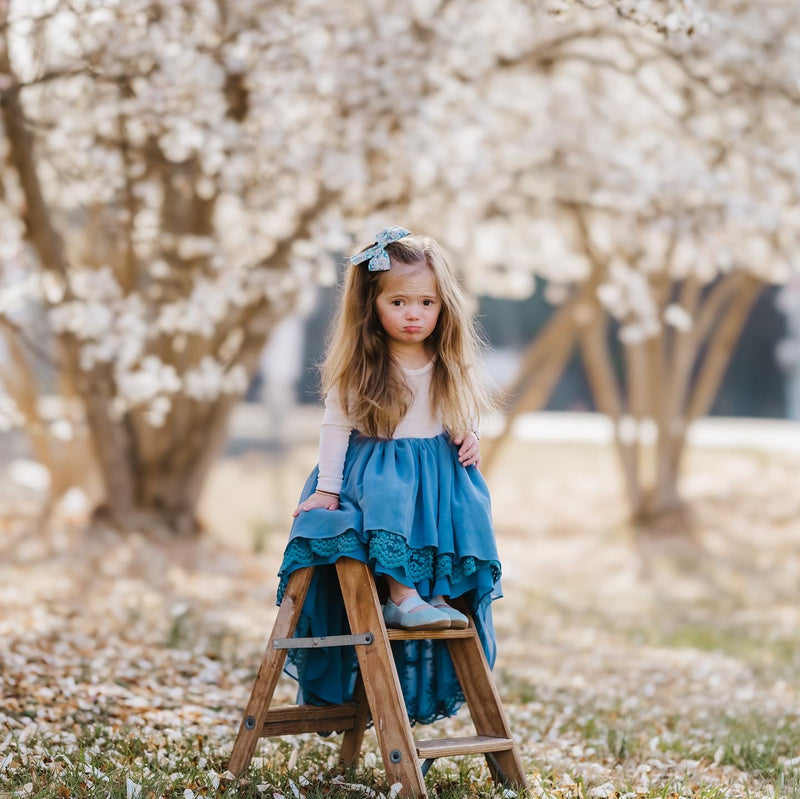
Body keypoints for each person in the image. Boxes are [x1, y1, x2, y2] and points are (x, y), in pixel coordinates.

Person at [277, 226, 502, 725]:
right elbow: (335, 428)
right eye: (399, 302)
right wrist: (328, 490)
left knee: (464, 499)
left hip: (435, 470)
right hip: (376, 468)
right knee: (390, 494)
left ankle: (437, 591)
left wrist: (469, 435)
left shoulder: (446, 361)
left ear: (444, 306)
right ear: (372, 306)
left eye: (427, 302)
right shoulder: (363, 365)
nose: (414, 313)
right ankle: (402, 594)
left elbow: (457, 413)